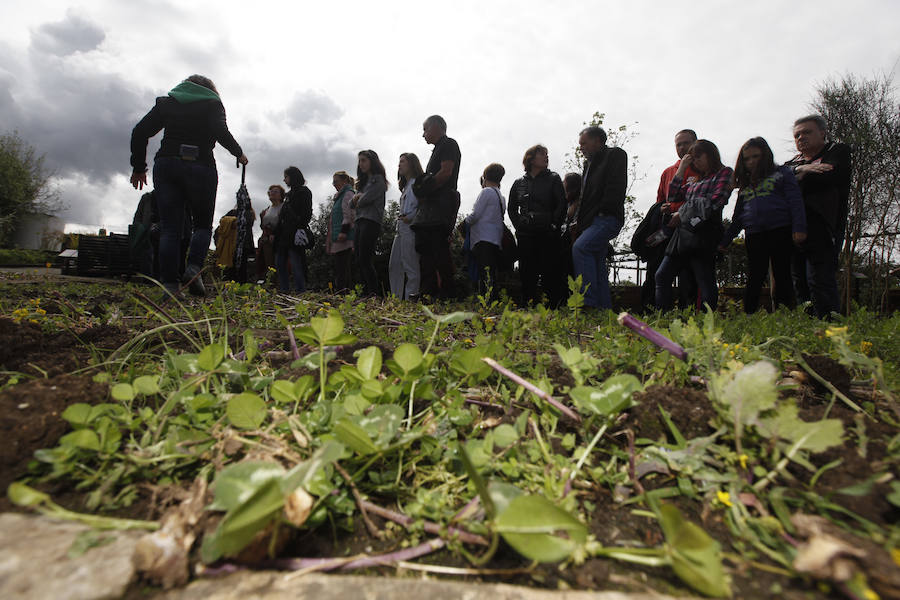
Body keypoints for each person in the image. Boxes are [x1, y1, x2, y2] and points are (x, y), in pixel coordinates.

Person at [130, 74, 248, 297]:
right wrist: (238, 152)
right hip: (201, 166)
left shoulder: (167, 103)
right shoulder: (213, 104)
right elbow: (220, 131)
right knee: (202, 225)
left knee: (170, 228)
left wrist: (138, 167)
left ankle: (170, 286)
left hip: (167, 164)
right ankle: (193, 269)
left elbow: (140, 131)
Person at [720, 137, 807, 313]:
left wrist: (799, 228)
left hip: (780, 230)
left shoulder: (782, 173)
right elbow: (738, 217)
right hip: (754, 234)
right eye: (747, 158)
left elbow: (795, 201)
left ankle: (785, 314)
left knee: (782, 274)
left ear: (765, 155)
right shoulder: (746, 185)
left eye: (755, 156)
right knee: (755, 276)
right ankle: (749, 315)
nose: (751, 161)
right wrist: (725, 241)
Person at [784, 115, 852, 318]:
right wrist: (801, 170)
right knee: (799, 281)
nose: (801, 137)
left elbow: (832, 175)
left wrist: (797, 180)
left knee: (820, 279)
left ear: (822, 133)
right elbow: (777, 180)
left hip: (824, 225)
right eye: (797, 135)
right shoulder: (792, 163)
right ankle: (807, 325)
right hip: (794, 227)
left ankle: (830, 326)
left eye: (806, 132)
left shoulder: (837, 151)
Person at [655, 140, 734, 311]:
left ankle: (708, 320)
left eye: (698, 156)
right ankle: (662, 317)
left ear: (710, 154)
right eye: (693, 159)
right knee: (662, 275)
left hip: (704, 234)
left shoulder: (724, 173)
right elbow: (673, 196)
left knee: (704, 279)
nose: (696, 161)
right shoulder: (697, 180)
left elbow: (715, 202)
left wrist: (682, 213)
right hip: (683, 234)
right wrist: (682, 168)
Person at [643, 129, 701, 310]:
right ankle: (653, 311)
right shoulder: (668, 171)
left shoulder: (703, 168)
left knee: (688, 275)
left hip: (691, 228)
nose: (682, 147)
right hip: (667, 228)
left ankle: (689, 313)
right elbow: (660, 200)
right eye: (679, 144)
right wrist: (662, 208)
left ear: (695, 143)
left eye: (686, 143)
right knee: (656, 270)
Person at [572, 126, 627, 310]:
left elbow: (616, 186)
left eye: (584, 143)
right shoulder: (588, 164)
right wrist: (579, 222)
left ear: (597, 140)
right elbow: (585, 197)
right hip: (590, 221)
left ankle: (588, 303)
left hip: (607, 217)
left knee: (581, 248)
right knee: (596, 260)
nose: (581, 148)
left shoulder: (615, 155)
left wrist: (604, 210)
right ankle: (604, 309)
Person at [508, 145, 567, 307]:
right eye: (542, 154)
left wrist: (554, 225)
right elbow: (511, 208)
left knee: (550, 270)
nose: (546, 157)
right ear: (531, 159)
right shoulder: (518, 183)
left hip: (548, 233)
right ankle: (528, 304)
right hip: (526, 234)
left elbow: (561, 204)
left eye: (547, 154)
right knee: (527, 271)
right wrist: (519, 226)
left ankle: (553, 306)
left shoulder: (554, 178)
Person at [412, 115, 461, 299]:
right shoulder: (436, 149)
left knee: (439, 246)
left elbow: (446, 172)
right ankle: (427, 292)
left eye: (425, 129)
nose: (423, 134)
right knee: (424, 247)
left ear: (436, 127)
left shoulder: (449, 144)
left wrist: (425, 188)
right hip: (432, 203)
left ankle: (448, 292)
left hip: (442, 201)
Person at [461, 163, 507, 298]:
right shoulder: (501, 198)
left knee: (483, 272)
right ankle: (491, 298)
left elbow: (476, 215)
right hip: (495, 238)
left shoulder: (486, 192)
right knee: (491, 272)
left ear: (485, 177)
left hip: (483, 238)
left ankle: (486, 299)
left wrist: (464, 223)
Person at [351, 150, 387, 296]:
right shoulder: (362, 183)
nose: (361, 164)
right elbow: (350, 204)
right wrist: (358, 198)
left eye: (364, 160)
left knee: (365, 258)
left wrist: (358, 198)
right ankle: (366, 291)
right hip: (359, 221)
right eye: (360, 161)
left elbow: (365, 200)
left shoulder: (378, 180)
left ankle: (374, 292)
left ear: (373, 161)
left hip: (371, 221)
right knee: (359, 258)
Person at [389, 153, 423, 299]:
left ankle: (411, 299)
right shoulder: (406, 187)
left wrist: (411, 217)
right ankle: (396, 299)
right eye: (399, 161)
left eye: (403, 161)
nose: (399, 164)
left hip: (410, 228)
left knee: (411, 266)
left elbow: (423, 206)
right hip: (401, 229)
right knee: (394, 265)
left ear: (412, 164)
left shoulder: (417, 184)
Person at [274, 166, 312, 293]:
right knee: (280, 263)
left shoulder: (304, 192)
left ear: (293, 177)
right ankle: (285, 290)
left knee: (296, 264)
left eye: (286, 177)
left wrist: (297, 223)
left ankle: (301, 291)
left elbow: (306, 214)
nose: (284, 180)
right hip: (284, 234)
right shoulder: (288, 195)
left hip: (294, 233)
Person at [326, 171, 356, 293]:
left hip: (344, 236)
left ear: (344, 181)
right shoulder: (339, 196)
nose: (334, 184)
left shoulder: (348, 194)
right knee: (340, 267)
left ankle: (343, 294)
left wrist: (343, 232)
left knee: (343, 267)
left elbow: (348, 214)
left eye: (336, 181)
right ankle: (342, 293)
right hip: (338, 236)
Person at [256, 185, 284, 283]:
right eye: (271, 191)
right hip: (266, 240)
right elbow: (262, 225)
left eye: (276, 191)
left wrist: (275, 233)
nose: (272, 192)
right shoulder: (266, 210)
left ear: (281, 195)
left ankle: (279, 285)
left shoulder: (283, 207)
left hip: (279, 239)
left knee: (278, 263)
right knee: (268, 264)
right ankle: (270, 285)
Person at [560, 172, 581, 278]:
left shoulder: (578, 204)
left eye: (564, 181)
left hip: (572, 247)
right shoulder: (568, 203)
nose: (562, 183)